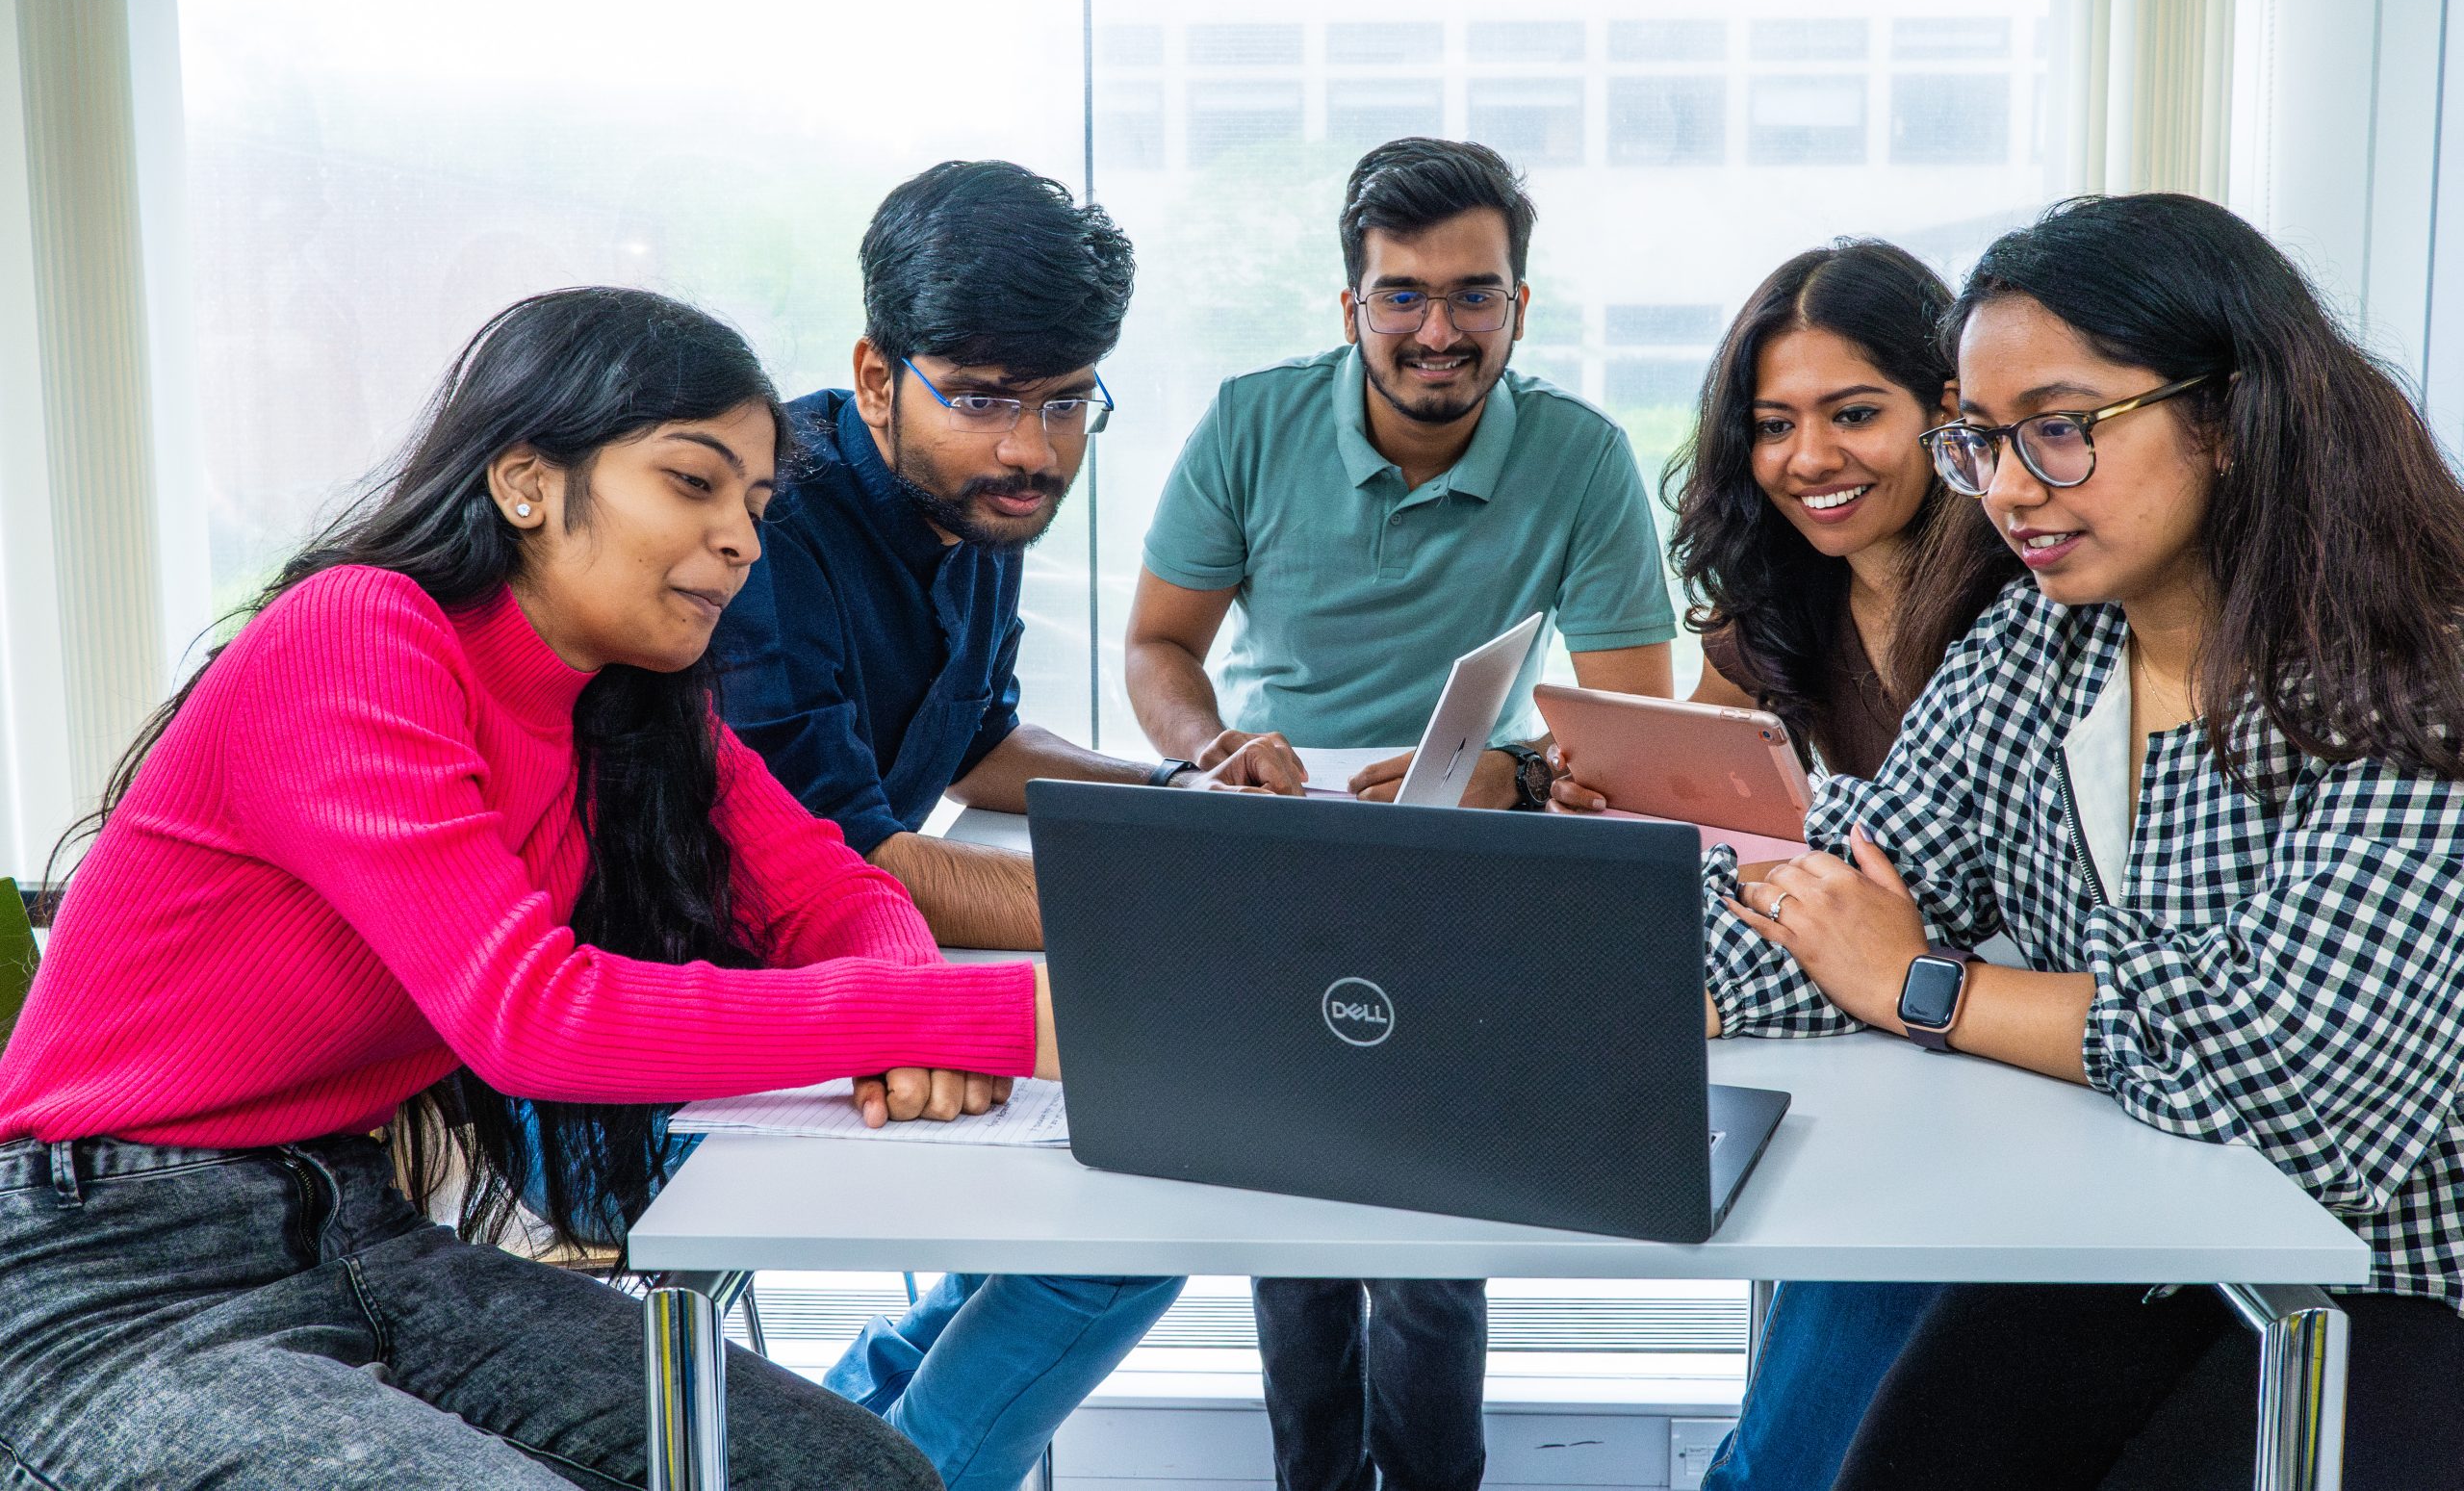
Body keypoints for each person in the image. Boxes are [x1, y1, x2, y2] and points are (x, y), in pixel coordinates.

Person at [0, 287, 1048, 1490]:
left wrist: (905, 1001)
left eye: (756, 507)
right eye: (693, 483)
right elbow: (530, 1018)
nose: (743, 542)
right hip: (99, 1275)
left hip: (360, 1233)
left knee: (866, 1475)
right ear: (525, 482)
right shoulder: (359, 632)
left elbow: (834, 892)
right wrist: (996, 1020)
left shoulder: (633, 709)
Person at [1706, 193, 2464, 1490]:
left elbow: (2297, 1076)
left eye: (2057, 431)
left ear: (2226, 416)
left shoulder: (2415, 677)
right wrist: (1649, 990)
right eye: (1982, 442)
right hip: (2128, 1238)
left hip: (2376, 1280)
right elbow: (1849, 891)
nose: (2006, 489)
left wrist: (1927, 985)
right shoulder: (2035, 646)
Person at [713, 161, 1286, 1491]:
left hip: (866, 958)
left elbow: (971, 739)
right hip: (724, 996)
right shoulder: (768, 530)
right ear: (875, 374)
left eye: (1066, 400)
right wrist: (1171, 888)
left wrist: (1175, 796)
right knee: (1152, 1188)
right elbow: (845, 855)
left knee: (1128, 1182)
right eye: (978, 395)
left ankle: (860, 1435)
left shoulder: (979, 500)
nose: (1031, 446)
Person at [1125, 137, 1679, 1491]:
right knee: (1296, 1227)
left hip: (1469, 858)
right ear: (1352, 304)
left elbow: (1635, 729)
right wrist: (1209, 749)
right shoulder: (1252, 422)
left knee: (1428, 1240)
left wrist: (1523, 773)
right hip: (1282, 841)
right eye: (1404, 295)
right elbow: (1157, 646)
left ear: (1520, 306)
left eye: (1474, 295)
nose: (1440, 330)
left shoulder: (1582, 455)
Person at [1551, 239, 2016, 1491]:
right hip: (1851, 1019)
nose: (1810, 457)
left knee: (1806, 1434)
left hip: (1987, 1046)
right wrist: (1604, 794)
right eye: (1774, 423)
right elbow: (1710, 784)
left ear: (1948, 418)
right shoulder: (1780, 593)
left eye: (1856, 412)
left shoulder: (2031, 607)